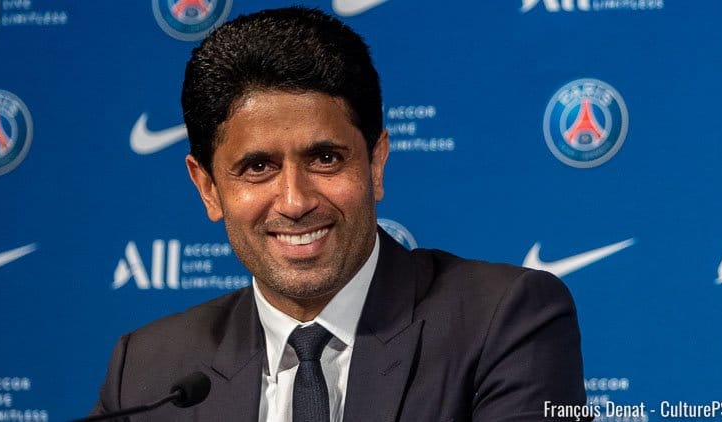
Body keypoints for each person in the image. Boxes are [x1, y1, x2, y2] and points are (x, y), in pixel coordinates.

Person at [91, 7, 587, 421]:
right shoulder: (147, 372)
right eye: (258, 167)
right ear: (208, 188)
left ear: (376, 163)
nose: (294, 201)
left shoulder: (504, 321)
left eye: (325, 159)